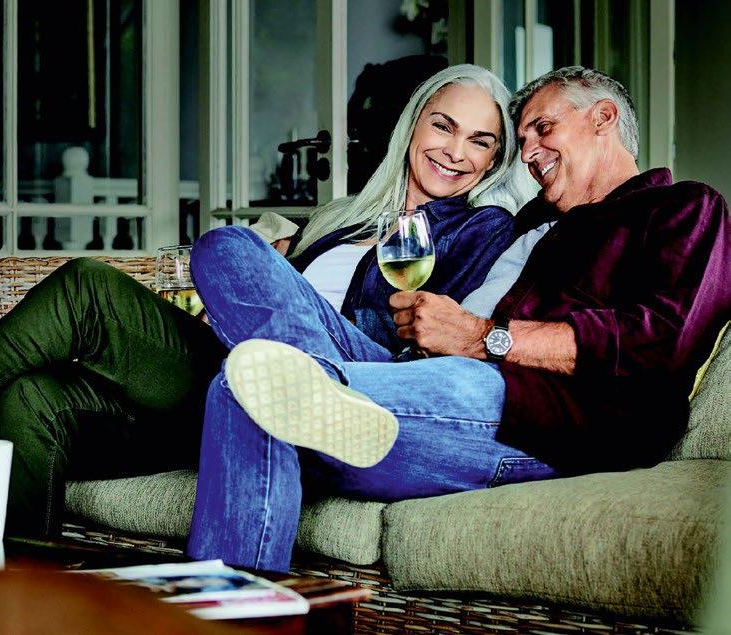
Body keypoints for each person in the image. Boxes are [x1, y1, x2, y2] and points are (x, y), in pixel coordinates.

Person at [0, 65, 532, 540]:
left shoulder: (481, 228)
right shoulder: (342, 219)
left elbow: (428, 352)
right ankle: (18, 602)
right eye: (443, 125)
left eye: (481, 141)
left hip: (335, 402)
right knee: (33, 397)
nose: (455, 151)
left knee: (96, 285)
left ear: (496, 160)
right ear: (413, 126)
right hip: (227, 388)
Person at [182, 65, 731, 572]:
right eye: (523, 140)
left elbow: (663, 341)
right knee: (229, 259)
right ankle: (323, 405)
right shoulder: (535, 222)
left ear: (602, 117)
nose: (529, 153)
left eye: (542, 129)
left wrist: (483, 338)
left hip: (533, 416)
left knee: (247, 387)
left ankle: (326, 407)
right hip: (419, 374)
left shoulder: (683, 207)